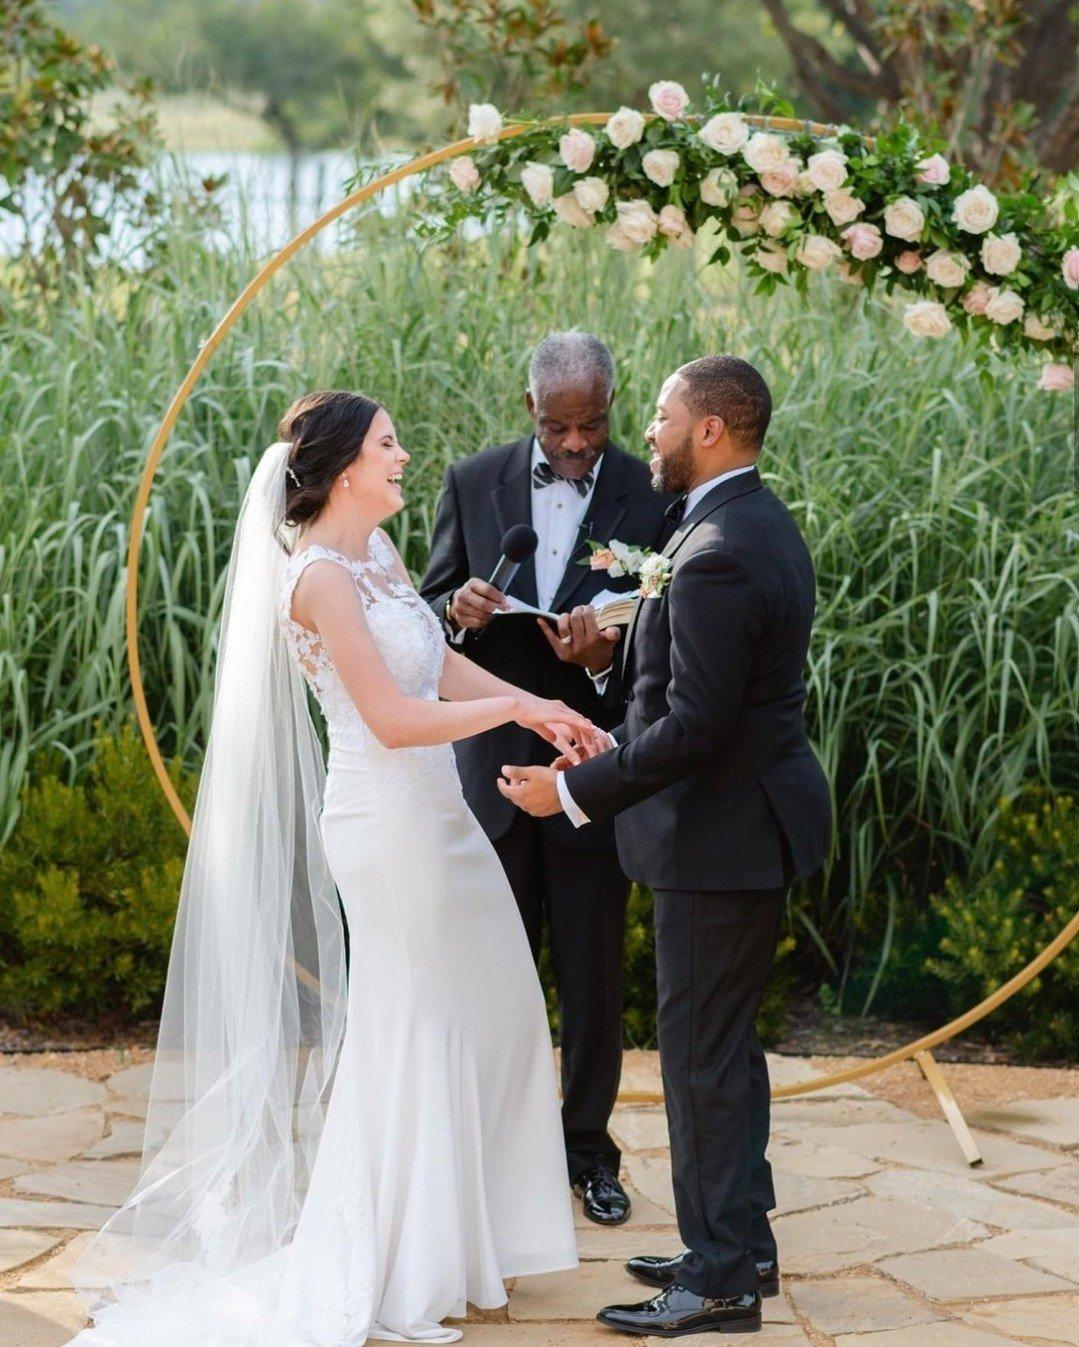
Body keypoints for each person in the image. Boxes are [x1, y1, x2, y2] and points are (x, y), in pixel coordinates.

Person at [67, 390, 606, 1346]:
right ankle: (392, 1257)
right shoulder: (316, 577)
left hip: (436, 810)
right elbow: (394, 721)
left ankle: (455, 1242)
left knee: (496, 1007)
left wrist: (535, 703)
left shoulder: (379, 556)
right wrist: (506, 716)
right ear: (346, 467)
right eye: (389, 444)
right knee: (414, 1025)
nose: (404, 456)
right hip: (385, 821)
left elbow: (433, 665)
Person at [498, 356, 832, 1337]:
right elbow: (689, 696)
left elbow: (694, 728)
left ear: (711, 431)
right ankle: (740, 1243)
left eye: (659, 417)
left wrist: (568, 793)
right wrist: (608, 693)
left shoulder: (721, 545)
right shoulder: (737, 523)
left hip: (720, 839)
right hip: (732, 831)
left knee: (697, 1058)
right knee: (721, 1048)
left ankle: (719, 1276)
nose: (646, 432)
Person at [420, 332, 672, 1224]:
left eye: (592, 424)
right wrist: (455, 608)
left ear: (611, 405)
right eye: (560, 426)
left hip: (592, 772)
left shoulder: (653, 491)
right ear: (529, 410)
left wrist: (605, 656)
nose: (575, 443)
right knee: (494, 971)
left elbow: (670, 638)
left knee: (594, 974)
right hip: (490, 771)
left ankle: (587, 1154)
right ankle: (496, 1154)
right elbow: (423, 615)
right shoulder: (470, 479)